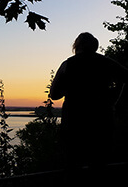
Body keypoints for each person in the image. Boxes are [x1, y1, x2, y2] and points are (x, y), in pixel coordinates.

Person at [50, 32, 128, 184]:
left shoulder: (68, 64)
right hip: (101, 122)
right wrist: (115, 98)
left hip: (74, 123)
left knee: (72, 168)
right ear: (95, 46)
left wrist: (72, 89)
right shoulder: (106, 62)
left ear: (76, 46)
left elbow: (54, 94)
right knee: (99, 168)